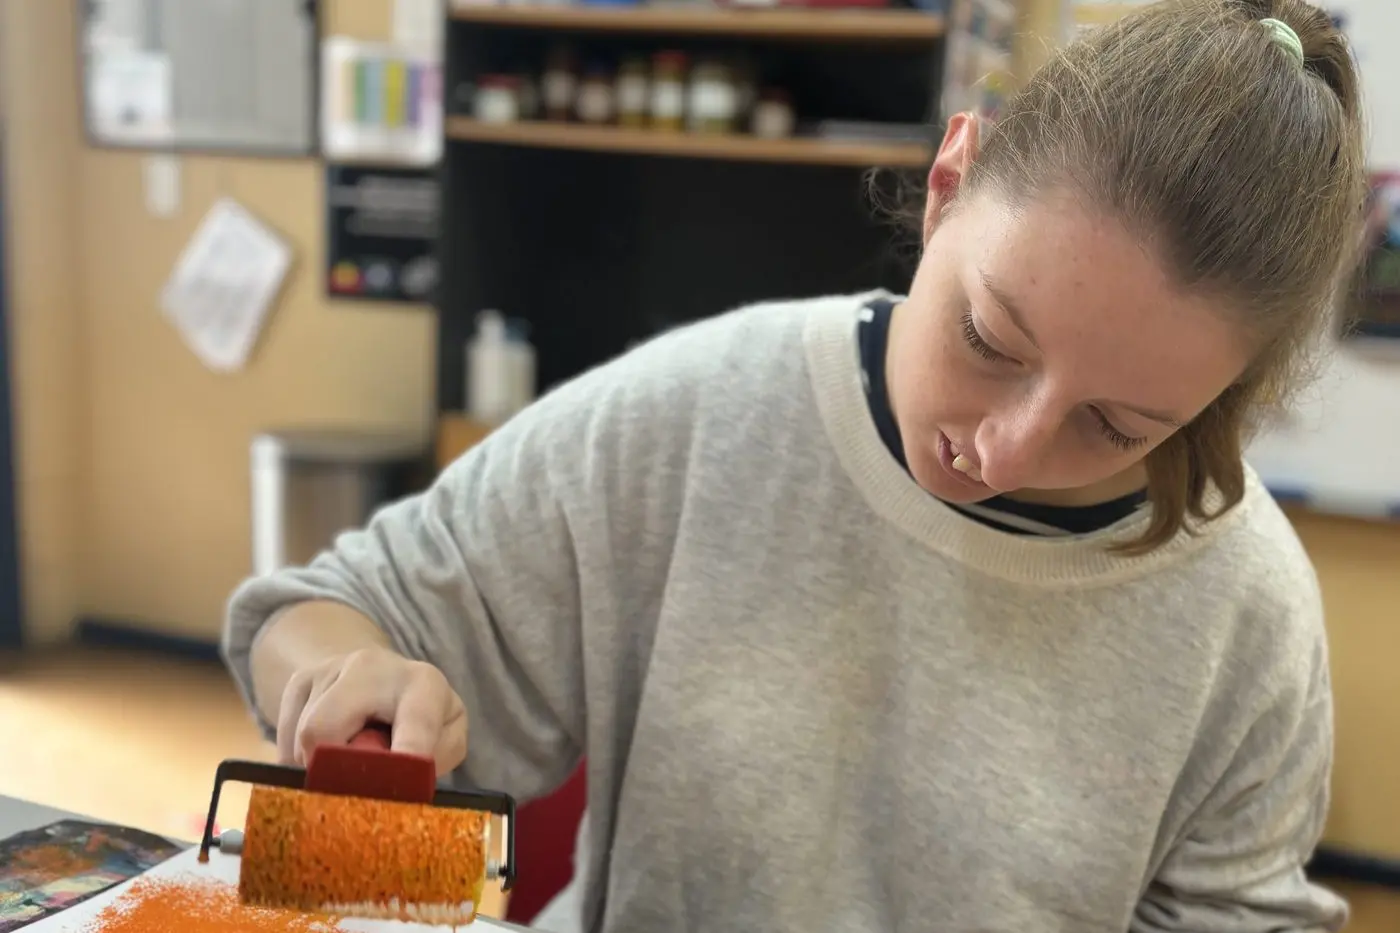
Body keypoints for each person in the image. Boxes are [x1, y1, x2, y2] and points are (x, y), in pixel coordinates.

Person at [221, 1, 1367, 930]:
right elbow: (319, 611)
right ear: (948, 182)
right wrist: (345, 678)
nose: (1001, 450)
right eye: (987, 341)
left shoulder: (1244, 612)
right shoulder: (700, 410)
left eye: (1116, 426)